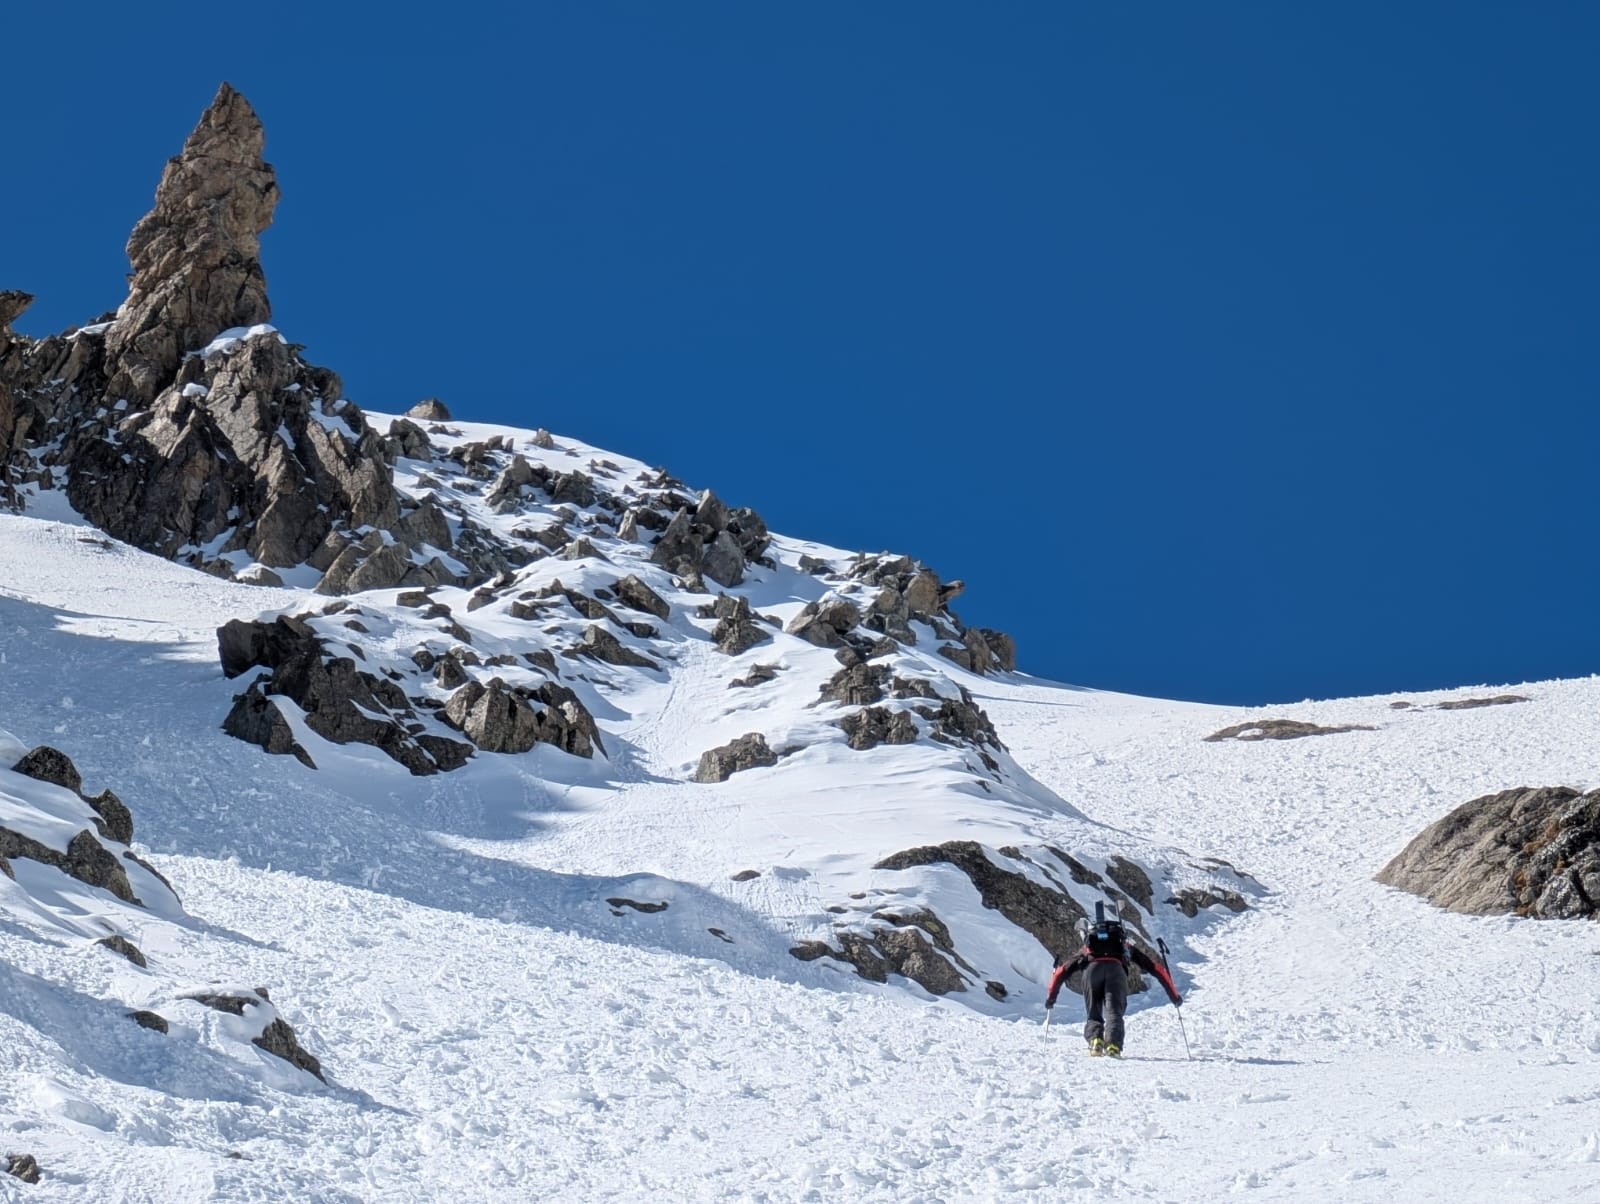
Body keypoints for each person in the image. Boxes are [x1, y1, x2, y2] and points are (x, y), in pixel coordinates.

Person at [1045, 904, 1182, 1057]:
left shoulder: (1087, 950)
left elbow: (1061, 972)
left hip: (1091, 971)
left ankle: (1095, 1041)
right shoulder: (1123, 946)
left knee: (1093, 1012)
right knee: (1114, 1012)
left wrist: (1051, 998)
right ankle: (1113, 1045)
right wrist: (1174, 997)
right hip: (1116, 971)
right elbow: (1156, 969)